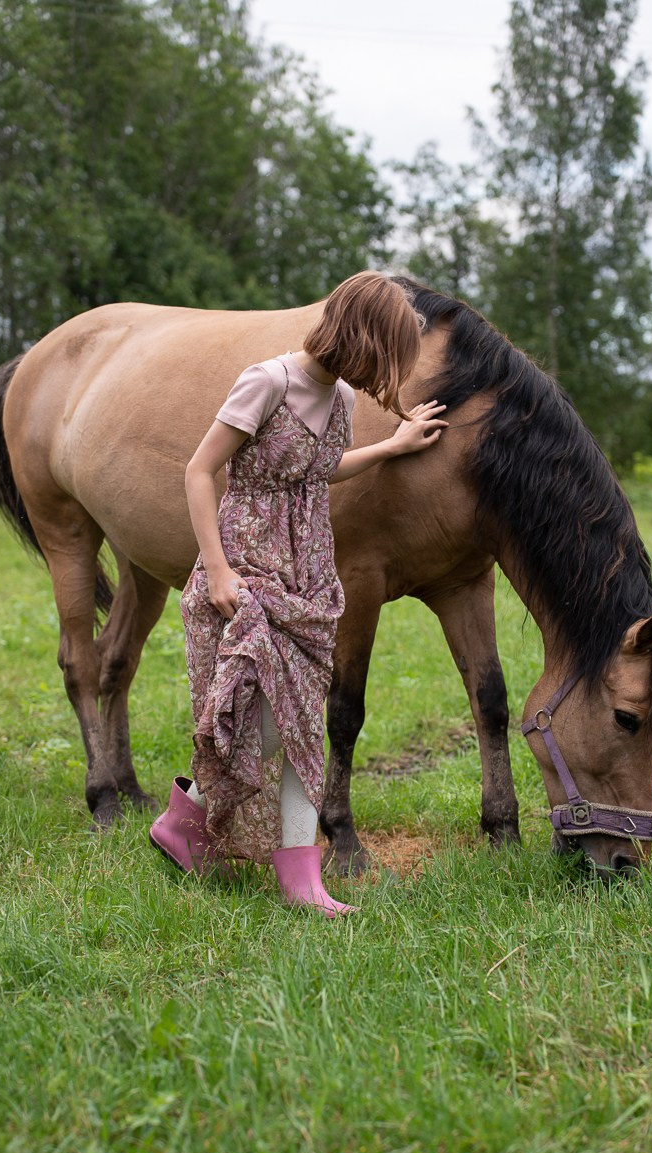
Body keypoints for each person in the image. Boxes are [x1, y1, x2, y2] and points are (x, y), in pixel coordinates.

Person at [149, 272, 447, 916]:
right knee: (255, 727)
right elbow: (201, 471)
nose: (388, 375)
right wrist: (218, 569)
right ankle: (185, 821)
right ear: (362, 337)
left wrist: (391, 446)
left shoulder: (339, 398)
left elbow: (318, 470)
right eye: (389, 356)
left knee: (304, 726)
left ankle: (301, 878)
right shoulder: (269, 381)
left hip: (308, 576)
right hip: (247, 572)